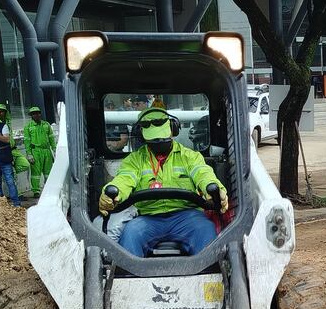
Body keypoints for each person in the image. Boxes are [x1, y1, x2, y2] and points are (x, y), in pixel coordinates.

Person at [98, 106, 229, 257]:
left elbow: (203, 173)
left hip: (187, 217)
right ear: (142, 137)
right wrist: (114, 190)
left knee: (205, 229)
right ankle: (129, 278)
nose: (159, 144)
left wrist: (213, 188)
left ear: (173, 131)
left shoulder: (190, 157)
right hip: (148, 218)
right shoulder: (134, 160)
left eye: (163, 139)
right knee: (130, 234)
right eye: (154, 141)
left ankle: (209, 276)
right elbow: (125, 178)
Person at [23, 106, 56, 196]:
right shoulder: (28, 127)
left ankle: (48, 189)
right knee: (35, 173)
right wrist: (29, 154)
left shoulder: (46, 124)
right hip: (35, 152)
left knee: (48, 172)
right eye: (34, 114)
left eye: (37, 113)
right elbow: (27, 141)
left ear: (40, 114)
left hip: (47, 151)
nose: (36, 115)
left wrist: (54, 148)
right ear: (31, 116)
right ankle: (36, 191)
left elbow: (51, 138)